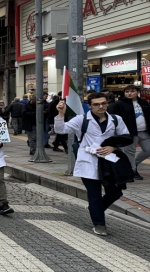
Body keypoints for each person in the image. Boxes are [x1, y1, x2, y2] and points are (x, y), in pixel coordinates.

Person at [54, 92, 129, 236]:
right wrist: (60, 114)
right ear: (89, 106)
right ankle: (99, 224)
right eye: (96, 104)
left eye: (103, 103)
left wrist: (113, 147)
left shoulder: (116, 119)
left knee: (115, 192)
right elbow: (60, 130)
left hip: (109, 162)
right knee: (94, 194)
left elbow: (124, 137)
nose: (101, 106)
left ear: (108, 103)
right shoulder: (81, 119)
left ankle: (95, 209)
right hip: (88, 161)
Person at [109, 85, 150, 180]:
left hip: (144, 131)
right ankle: (132, 170)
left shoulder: (144, 103)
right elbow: (112, 118)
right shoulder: (118, 104)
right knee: (130, 152)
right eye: (127, 92)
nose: (129, 93)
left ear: (137, 92)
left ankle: (134, 163)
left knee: (148, 150)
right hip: (128, 132)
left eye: (132, 91)